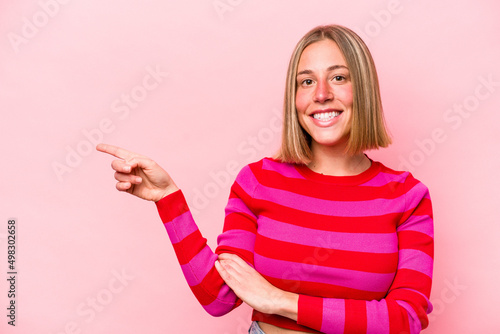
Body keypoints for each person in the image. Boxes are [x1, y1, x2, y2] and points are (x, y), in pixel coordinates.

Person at [97, 24, 434, 334]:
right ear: (295, 98)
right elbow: (219, 298)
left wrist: (281, 301)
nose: (321, 94)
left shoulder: (408, 196)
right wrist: (168, 199)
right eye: (306, 81)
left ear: (363, 89)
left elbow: (406, 317)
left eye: (339, 78)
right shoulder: (259, 181)